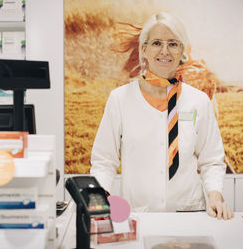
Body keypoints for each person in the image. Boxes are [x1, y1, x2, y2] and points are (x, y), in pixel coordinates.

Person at [90, 12, 233, 220]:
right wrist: (99, 197)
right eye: (157, 43)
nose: (165, 51)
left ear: (182, 51)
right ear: (144, 49)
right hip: (139, 217)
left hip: (190, 216)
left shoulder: (199, 101)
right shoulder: (119, 99)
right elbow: (104, 161)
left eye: (173, 44)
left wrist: (215, 196)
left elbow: (211, 161)